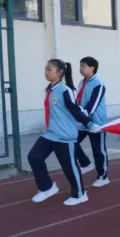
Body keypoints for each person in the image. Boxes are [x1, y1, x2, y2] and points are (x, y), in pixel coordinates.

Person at [28, 59, 102, 206]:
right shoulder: (48, 89)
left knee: (69, 167)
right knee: (34, 157)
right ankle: (47, 187)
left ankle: (80, 194)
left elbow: (75, 110)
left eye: (49, 69)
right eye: (45, 69)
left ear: (60, 72)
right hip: (50, 134)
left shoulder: (64, 90)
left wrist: (90, 124)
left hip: (65, 136)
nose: (46, 72)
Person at [73, 57, 109, 188]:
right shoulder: (81, 82)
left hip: (96, 123)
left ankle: (103, 177)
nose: (80, 69)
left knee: (98, 150)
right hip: (83, 122)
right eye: (80, 66)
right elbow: (78, 101)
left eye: (83, 66)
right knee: (71, 141)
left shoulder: (99, 84)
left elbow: (92, 105)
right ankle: (85, 163)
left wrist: (82, 117)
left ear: (92, 68)